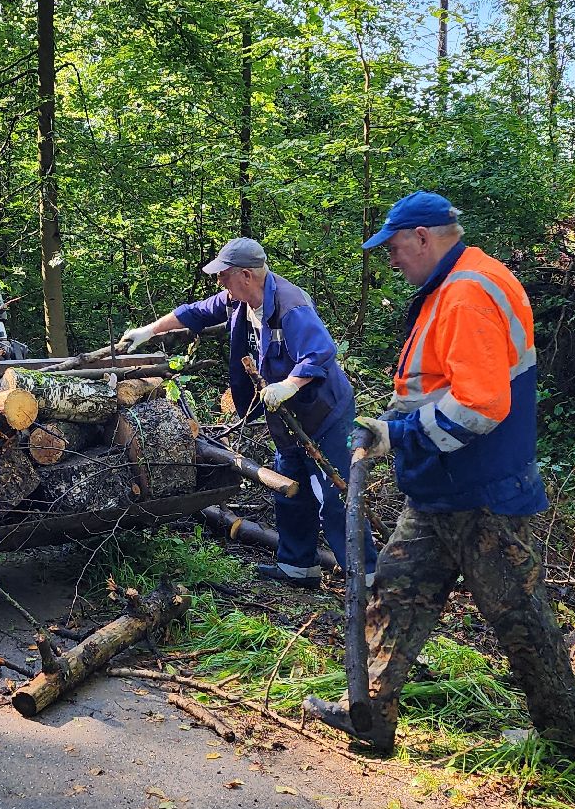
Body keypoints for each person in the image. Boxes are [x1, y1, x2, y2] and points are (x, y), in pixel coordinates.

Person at [303, 192, 575, 761]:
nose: (391, 259)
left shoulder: (466, 293)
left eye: (394, 247)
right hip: (439, 489)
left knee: (522, 621)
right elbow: (436, 385)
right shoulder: (456, 282)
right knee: (395, 595)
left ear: (423, 237)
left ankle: (574, 747)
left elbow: (481, 406)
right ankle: (368, 717)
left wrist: (400, 435)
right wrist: (392, 422)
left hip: (480, 493)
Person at [117, 237, 380, 588]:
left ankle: (367, 580)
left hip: (323, 413)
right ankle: (298, 568)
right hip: (286, 417)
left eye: (223, 276)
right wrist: (148, 331)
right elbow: (193, 312)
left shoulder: (291, 306)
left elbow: (320, 352)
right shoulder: (238, 301)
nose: (219, 283)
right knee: (291, 489)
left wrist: (289, 384)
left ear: (245, 275)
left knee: (335, 496)